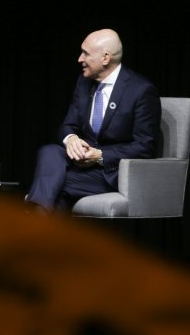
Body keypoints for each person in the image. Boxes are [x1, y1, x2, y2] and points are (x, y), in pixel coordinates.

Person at [25, 28, 161, 210]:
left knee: (53, 186)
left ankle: (34, 216)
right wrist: (71, 139)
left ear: (105, 58)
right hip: (81, 163)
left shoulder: (141, 91)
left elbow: (145, 147)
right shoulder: (83, 83)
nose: (79, 59)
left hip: (112, 172)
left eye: (85, 54)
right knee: (50, 151)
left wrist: (100, 156)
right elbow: (68, 126)